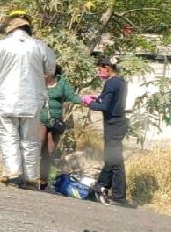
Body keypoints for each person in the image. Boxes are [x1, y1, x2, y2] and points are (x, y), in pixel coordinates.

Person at [0, 13, 56, 188]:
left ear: (10, 28)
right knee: (30, 138)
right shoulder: (40, 46)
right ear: (28, 28)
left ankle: (13, 173)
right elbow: (51, 69)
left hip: (6, 98)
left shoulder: (0, 46)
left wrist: (1, 75)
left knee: (8, 135)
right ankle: (31, 177)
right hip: (32, 99)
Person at [83, 59, 130, 206]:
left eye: (100, 70)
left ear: (108, 68)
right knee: (110, 159)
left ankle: (119, 197)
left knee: (115, 161)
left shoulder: (111, 83)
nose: (98, 73)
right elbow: (109, 100)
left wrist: (89, 102)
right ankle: (100, 187)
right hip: (117, 123)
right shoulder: (120, 81)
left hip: (114, 124)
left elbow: (104, 106)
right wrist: (96, 97)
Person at [38, 65, 84, 189]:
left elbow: (71, 96)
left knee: (49, 152)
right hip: (40, 119)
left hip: (55, 122)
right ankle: (29, 177)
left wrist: (84, 101)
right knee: (38, 146)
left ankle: (43, 181)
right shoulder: (37, 82)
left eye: (45, 72)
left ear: (53, 73)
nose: (43, 74)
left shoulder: (62, 83)